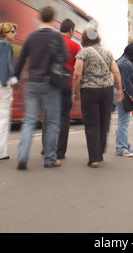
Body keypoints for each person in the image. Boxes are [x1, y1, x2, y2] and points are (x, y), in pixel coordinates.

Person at [15, 6, 68, 170]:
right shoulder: (56, 36)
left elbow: (21, 59)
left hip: (32, 83)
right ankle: (50, 159)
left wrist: (16, 78)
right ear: (53, 19)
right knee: (52, 122)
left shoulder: (31, 37)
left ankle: (23, 155)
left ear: (40, 18)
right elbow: (65, 57)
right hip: (50, 84)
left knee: (29, 121)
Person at [72, 23, 123, 168]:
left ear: (84, 39)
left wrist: (75, 91)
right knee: (103, 121)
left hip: (89, 90)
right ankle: (100, 150)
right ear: (97, 38)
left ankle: (94, 158)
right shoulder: (108, 53)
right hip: (106, 91)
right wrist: (119, 89)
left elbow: (77, 74)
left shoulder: (83, 53)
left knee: (92, 124)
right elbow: (116, 72)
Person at [0, 22, 18, 164]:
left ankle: (1, 152)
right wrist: (6, 83)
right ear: (5, 33)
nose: (15, 34)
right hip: (0, 84)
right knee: (2, 119)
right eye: (12, 31)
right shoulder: (4, 45)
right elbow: (3, 65)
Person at [57, 19, 81, 159]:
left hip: (51, 84)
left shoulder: (52, 42)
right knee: (64, 117)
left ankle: (46, 147)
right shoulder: (75, 46)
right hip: (67, 85)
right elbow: (78, 70)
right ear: (71, 30)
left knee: (50, 116)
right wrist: (75, 91)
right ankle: (60, 151)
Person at [116, 43, 133, 157]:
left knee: (124, 121)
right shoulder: (126, 64)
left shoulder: (121, 61)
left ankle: (125, 145)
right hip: (123, 93)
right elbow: (127, 83)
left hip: (119, 92)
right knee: (123, 122)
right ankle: (121, 147)